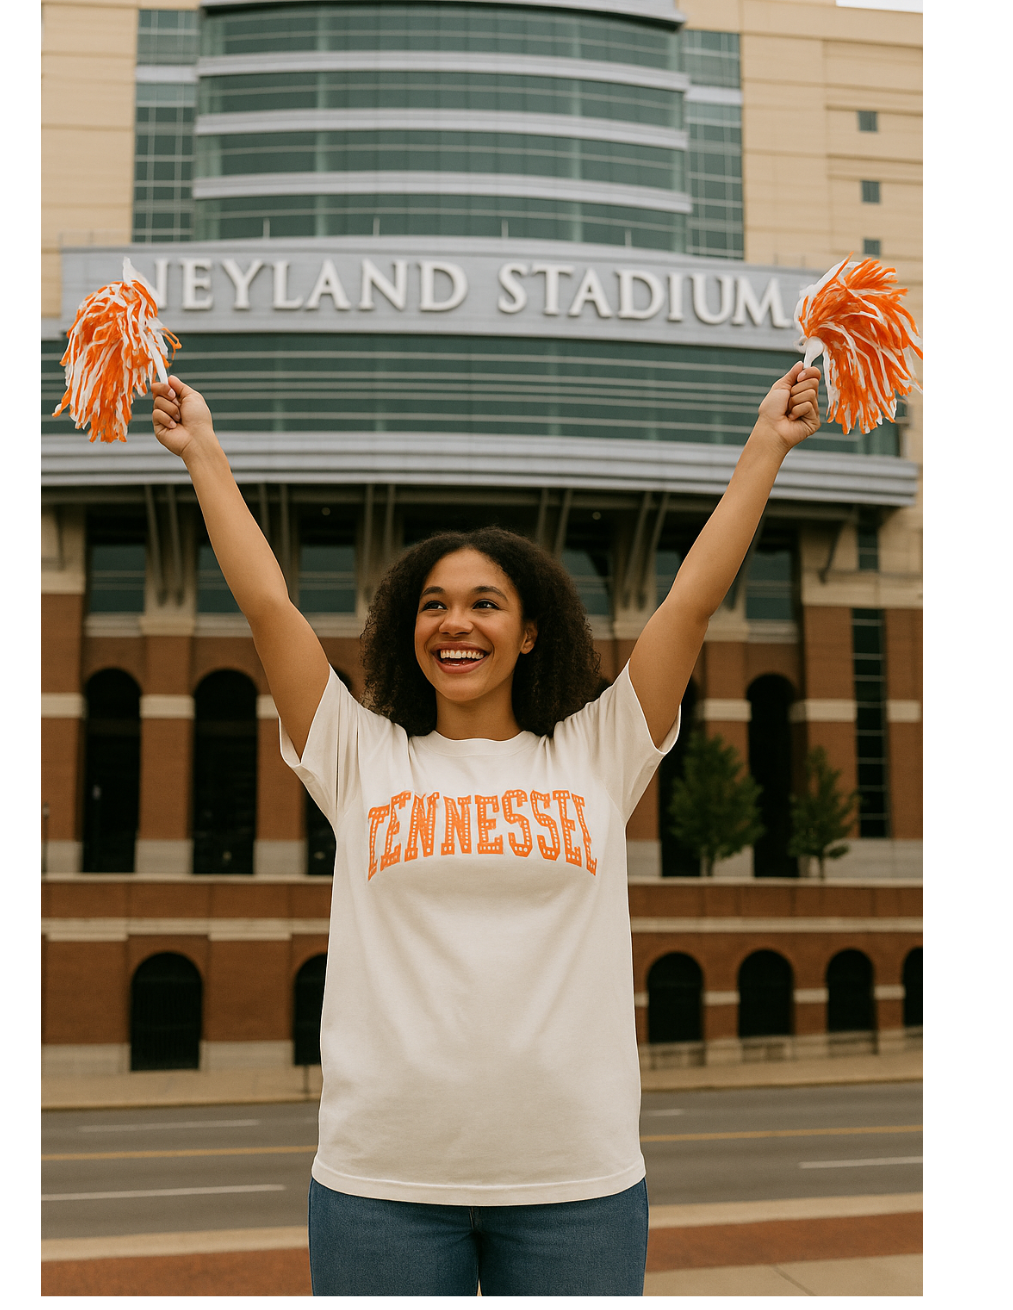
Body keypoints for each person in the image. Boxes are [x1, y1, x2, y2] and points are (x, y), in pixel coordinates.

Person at [151, 363, 821, 1297]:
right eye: (433, 604)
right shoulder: (358, 752)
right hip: (379, 1186)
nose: (454, 623)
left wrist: (768, 446)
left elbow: (690, 603)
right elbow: (270, 606)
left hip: (575, 1184)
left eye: (483, 604)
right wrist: (203, 454)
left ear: (532, 632)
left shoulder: (598, 750)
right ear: (403, 628)